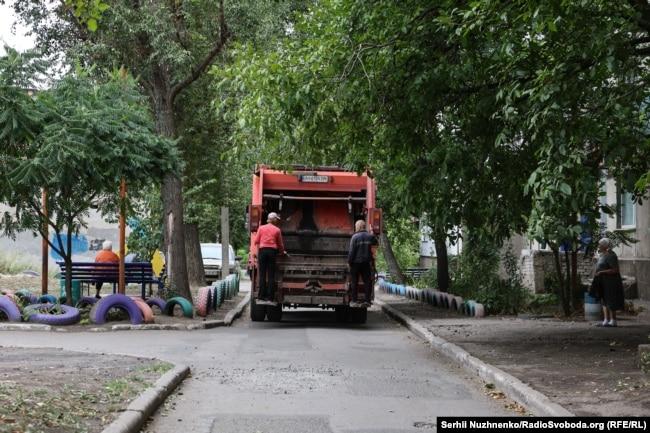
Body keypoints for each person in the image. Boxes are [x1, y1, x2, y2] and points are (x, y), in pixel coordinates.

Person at [590, 238, 624, 327]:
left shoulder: (611, 255)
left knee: (611, 300)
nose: (598, 246)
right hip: (603, 282)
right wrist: (595, 262)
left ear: (605, 246)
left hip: (611, 282)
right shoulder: (602, 255)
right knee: (604, 300)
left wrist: (602, 272)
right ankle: (606, 320)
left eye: (600, 244)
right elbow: (600, 265)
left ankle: (613, 320)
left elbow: (615, 270)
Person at [254, 212, 286, 305]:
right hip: (272, 252)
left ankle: (261, 296)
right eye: (276, 219)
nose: (277, 220)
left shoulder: (261, 228)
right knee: (271, 275)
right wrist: (282, 252)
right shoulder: (277, 230)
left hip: (262, 251)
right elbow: (280, 244)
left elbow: (256, 241)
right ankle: (270, 298)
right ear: (274, 219)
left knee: (262, 275)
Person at [348, 220, 378, 307]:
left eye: (356, 226)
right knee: (367, 282)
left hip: (356, 263)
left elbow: (351, 252)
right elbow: (375, 246)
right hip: (366, 263)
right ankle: (367, 301)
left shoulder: (355, 237)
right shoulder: (370, 237)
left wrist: (349, 262)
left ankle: (354, 301)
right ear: (364, 227)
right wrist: (372, 260)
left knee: (354, 282)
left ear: (358, 227)